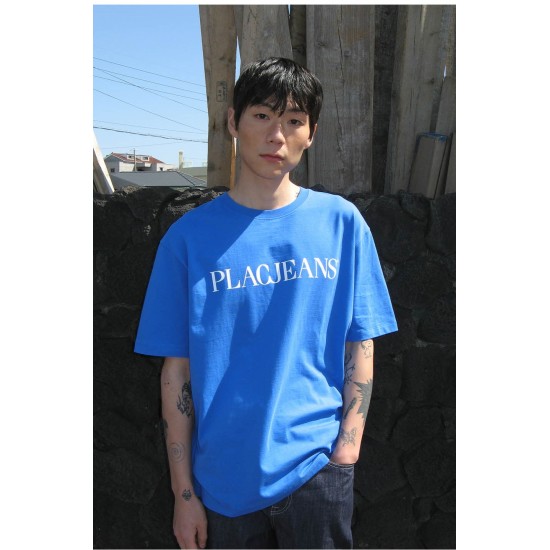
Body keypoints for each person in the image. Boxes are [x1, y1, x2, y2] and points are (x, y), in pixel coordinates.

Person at [134, 57, 398, 549]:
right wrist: (183, 492)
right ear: (233, 122)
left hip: (317, 472)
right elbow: (177, 372)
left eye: (294, 120)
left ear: (311, 133)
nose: (277, 135)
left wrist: (346, 450)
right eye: (262, 115)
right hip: (222, 483)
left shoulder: (342, 224)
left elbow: (360, 342)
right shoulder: (188, 239)